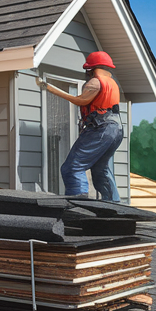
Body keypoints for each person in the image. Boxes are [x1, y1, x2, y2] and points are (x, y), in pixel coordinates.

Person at [37, 51, 125, 201]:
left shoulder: (95, 82)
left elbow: (80, 101)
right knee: (100, 169)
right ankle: (113, 204)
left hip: (100, 128)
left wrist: (51, 89)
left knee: (72, 167)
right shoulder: (113, 84)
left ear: (91, 69)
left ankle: (79, 202)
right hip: (116, 129)